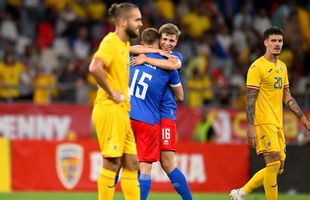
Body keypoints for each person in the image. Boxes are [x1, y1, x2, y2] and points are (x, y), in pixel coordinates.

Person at [230, 27, 310, 200]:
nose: (277, 44)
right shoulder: (256, 67)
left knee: (278, 167)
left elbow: (286, 95)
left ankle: (240, 193)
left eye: (279, 41)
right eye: (273, 41)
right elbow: (250, 99)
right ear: (265, 42)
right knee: (273, 161)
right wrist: (251, 127)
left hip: (277, 122)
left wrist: (302, 117)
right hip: (262, 121)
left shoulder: (282, 67)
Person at [131, 23, 192, 200]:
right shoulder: (152, 52)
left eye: (171, 40)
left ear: (177, 41)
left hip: (165, 115)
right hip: (149, 115)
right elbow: (131, 48)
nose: (167, 43)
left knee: (167, 163)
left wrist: (147, 60)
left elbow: (174, 67)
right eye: (164, 39)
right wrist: (155, 53)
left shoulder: (174, 57)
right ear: (158, 40)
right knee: (140, 161)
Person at [88, 3, 142, 200]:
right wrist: (111, 92)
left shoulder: (125, 45)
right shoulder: (111, 41)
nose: (141, 24)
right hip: (109, 108)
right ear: (122, 21)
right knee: (112, 163)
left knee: (132, 164)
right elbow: (94, 67)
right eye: (137, 19)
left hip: (122, 110)